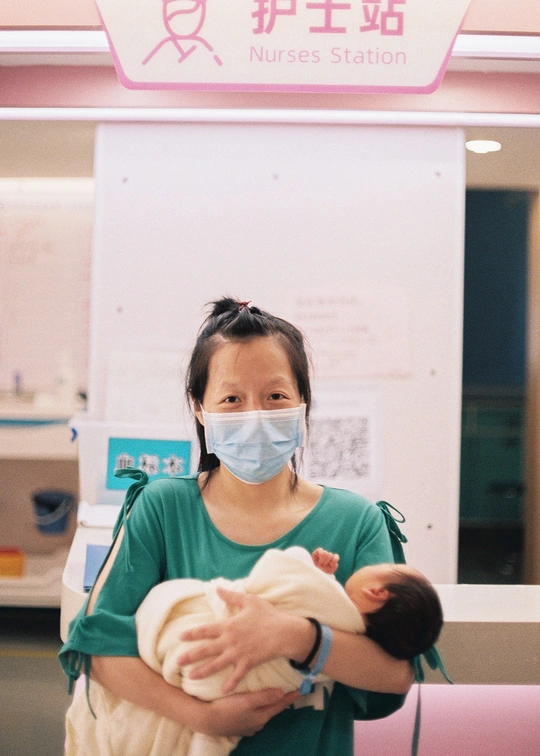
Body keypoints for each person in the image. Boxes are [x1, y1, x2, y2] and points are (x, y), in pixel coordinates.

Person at [59, 296, 414, 756]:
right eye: (231, 399)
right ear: (200, 409)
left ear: (302, 402)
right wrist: (204, 717)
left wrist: (295, 635)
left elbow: (394, 674)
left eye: (276, 396)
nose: (255, 416)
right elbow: (97, 646)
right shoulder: (163, 509)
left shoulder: (356, 521)